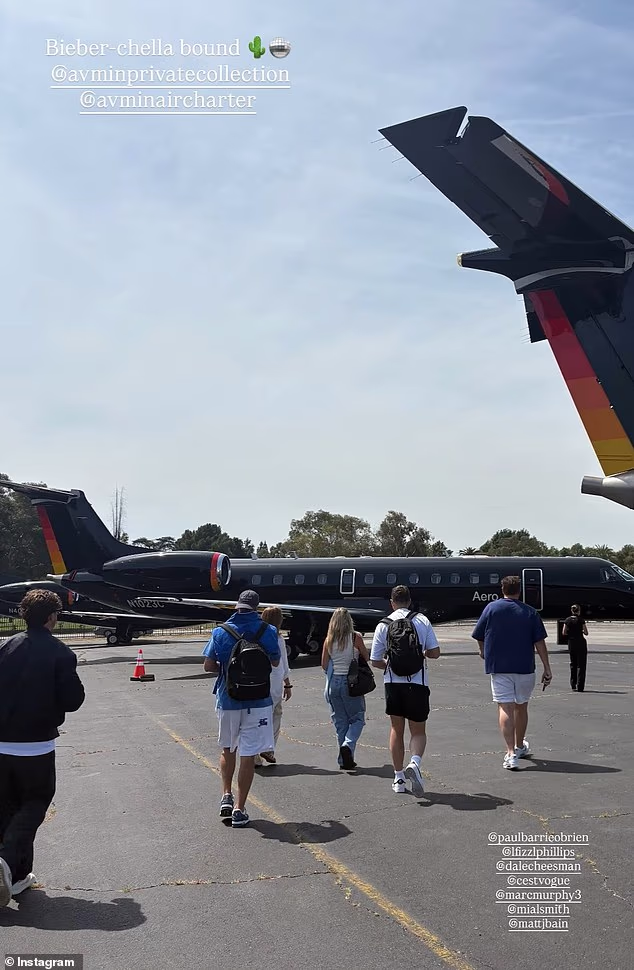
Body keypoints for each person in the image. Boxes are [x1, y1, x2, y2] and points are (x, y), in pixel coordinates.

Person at [0, 589, 85, 906]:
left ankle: (19, 877)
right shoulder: (61, 653)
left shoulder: (6, 647)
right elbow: (73, 701)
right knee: (35, 803)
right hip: (35, 745)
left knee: (8, 809)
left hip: (2, 744)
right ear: (52, 617)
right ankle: (6, 861)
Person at [202, 589, 280, 827]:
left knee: (228, 749)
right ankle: (240, 808)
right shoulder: (268, 631)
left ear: (236, 606)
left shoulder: (220, 631)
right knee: (248, 754)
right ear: (256, 608)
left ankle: (226, 794)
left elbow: (208, 665)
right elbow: (275, 661)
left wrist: (230, 668)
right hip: (258, 701)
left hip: (229, 698)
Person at [471, 575, 552, 770]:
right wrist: (547, 667)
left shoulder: (491, 609)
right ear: (519, 590)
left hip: (499, 667)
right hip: (524, 667)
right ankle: (519, 744)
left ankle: (510, 753)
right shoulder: (530, 612)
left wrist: (483, 651)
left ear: (502, 589)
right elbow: (539, 642)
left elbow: (479, 634)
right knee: (521, 707)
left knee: (505, 708)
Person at [370, 586, 440, 795]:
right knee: (418, 730)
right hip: (417, 683)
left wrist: (391, 665)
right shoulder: (422, 620)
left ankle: (398, 777)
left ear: (392, 602)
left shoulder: (384, 624)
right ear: (410, 601)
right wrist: (422, 653)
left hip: (393, 684)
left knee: (396, 730)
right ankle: (415, 764)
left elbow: (375, 660)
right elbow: (435, 653)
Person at [321, 608, 369, 770]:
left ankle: (345, 760)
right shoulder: (355, 637)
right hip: (351, 682)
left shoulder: (329, 639)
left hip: (334, 682)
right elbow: (366, 657)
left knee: (341, 723)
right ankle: (348, 745)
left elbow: (324, 664)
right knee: (357, 718)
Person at [255, 606, 292, 766]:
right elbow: (283, 663)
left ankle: (255, 754)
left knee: (258, 718)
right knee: (275, 715)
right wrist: (288, 685)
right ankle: (268, 748)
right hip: (274, 682)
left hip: (257, 681)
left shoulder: (255, 636)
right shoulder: (277, 638)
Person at [563, 605, 588, 692]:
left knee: (573, 663)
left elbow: (564, 632)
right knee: (581, 665)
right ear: (579, 611)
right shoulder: (581, 620)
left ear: (572, 611)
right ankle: (580, 686)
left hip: (571, 642)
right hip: (580, 642)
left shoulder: (567, 620)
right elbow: (586, 632)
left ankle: (573, 683)